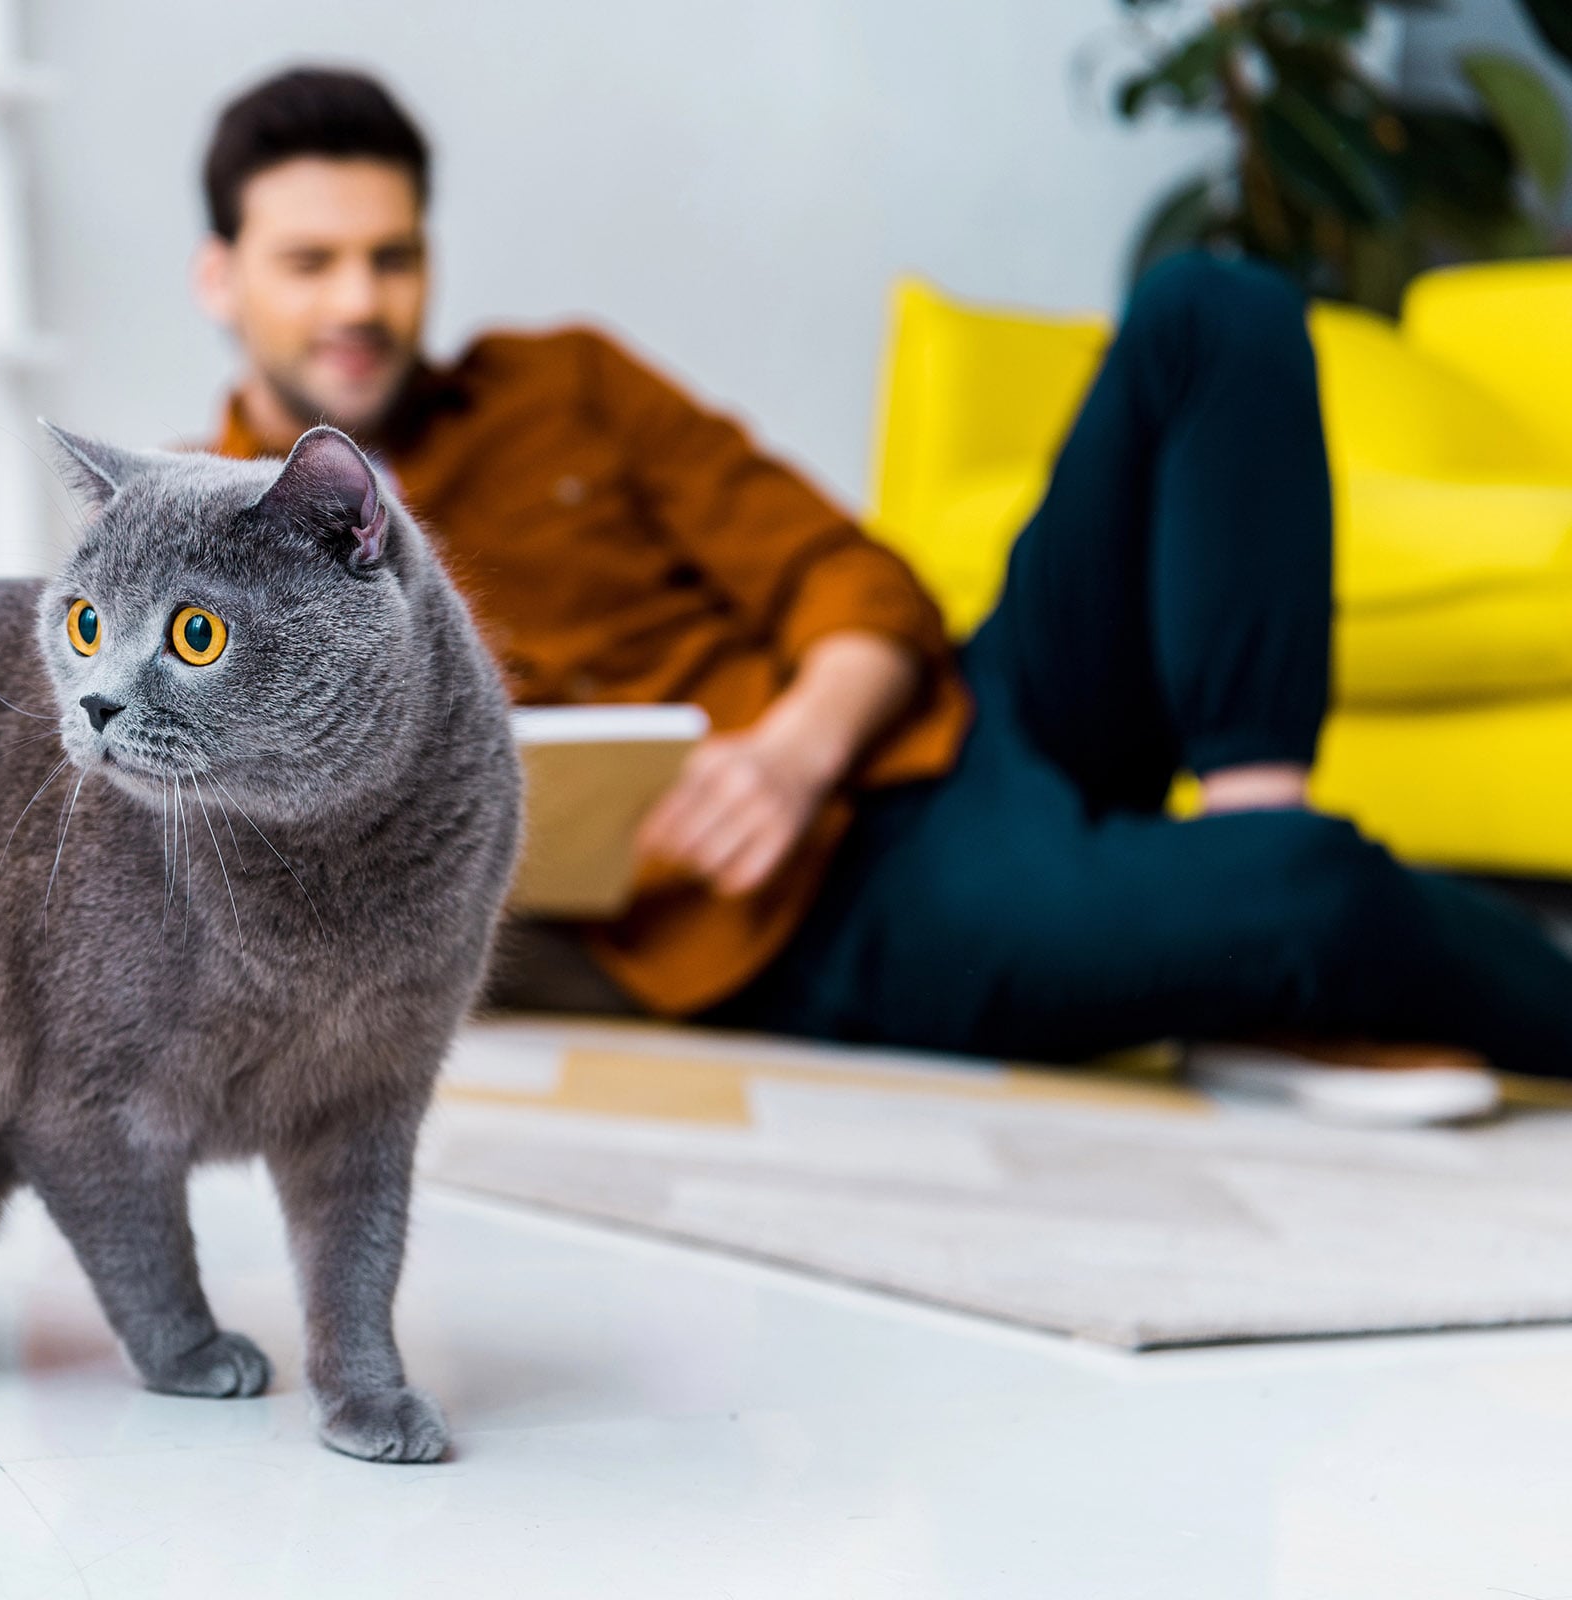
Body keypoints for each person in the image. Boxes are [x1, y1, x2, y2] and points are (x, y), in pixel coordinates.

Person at [189, 66, 1572, 1121]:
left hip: (937, 725)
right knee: (1316, 895)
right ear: (222, 280)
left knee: (1212, 306)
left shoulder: (567, 383)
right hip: (827, 918)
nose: (359, 299)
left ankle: (1254, 835)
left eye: (392, 255)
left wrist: (797, 748)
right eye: (310, 264)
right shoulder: (203, 559)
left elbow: (848, 573)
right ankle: (1266, 896)